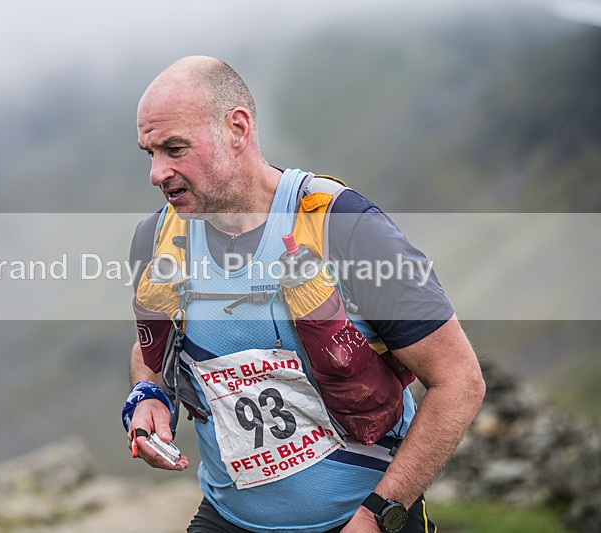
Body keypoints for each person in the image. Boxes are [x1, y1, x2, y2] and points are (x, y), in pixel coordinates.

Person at [124, 55, 485, 533]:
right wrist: (148, 394)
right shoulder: (155, 240)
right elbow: (155, 348)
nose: (157, 173)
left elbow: (459, 381)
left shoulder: (345, 227)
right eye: (150, 154)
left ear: (237, 129)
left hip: (360, 519)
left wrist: (379, 515)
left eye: (174, 149)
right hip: (228, 519)